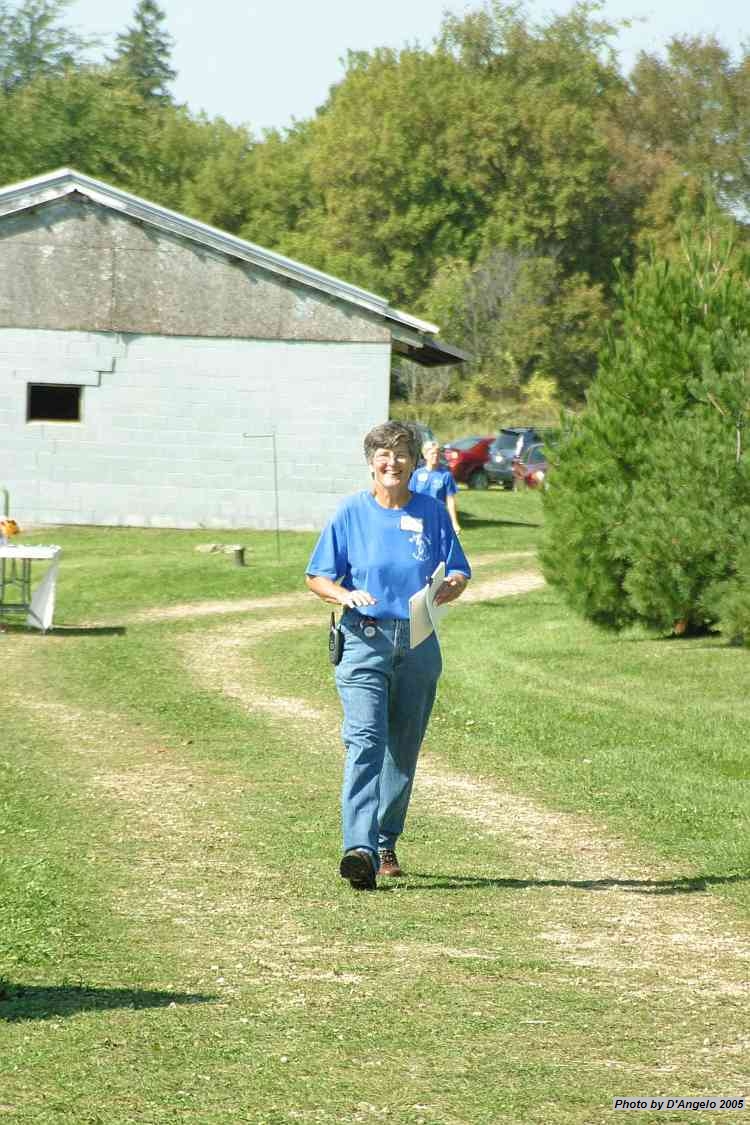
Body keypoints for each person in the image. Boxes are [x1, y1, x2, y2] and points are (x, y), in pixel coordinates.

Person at [305, 421, 471, 890]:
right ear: (370, 462)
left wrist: (452, 586)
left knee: (402, 748)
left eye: (402, 454)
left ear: (417, 463)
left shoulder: (433, 513)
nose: (392, 462)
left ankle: (383, 842)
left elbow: (458, 569)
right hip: (363, 640)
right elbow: (317, 576)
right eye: (383, 454)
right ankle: (357, 848)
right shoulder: (350, 514)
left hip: (418, 640)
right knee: (365, 741)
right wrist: (342, 594)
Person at [409, 440, 461, 534]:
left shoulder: (445, 475)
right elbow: (410, 496)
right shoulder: (417, 474)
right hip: (420, 517)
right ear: (425, 455)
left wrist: (454, 522)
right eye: (432, 453)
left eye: (437, 453)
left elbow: (450, 500)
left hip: (438, 517)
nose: (436, 456)